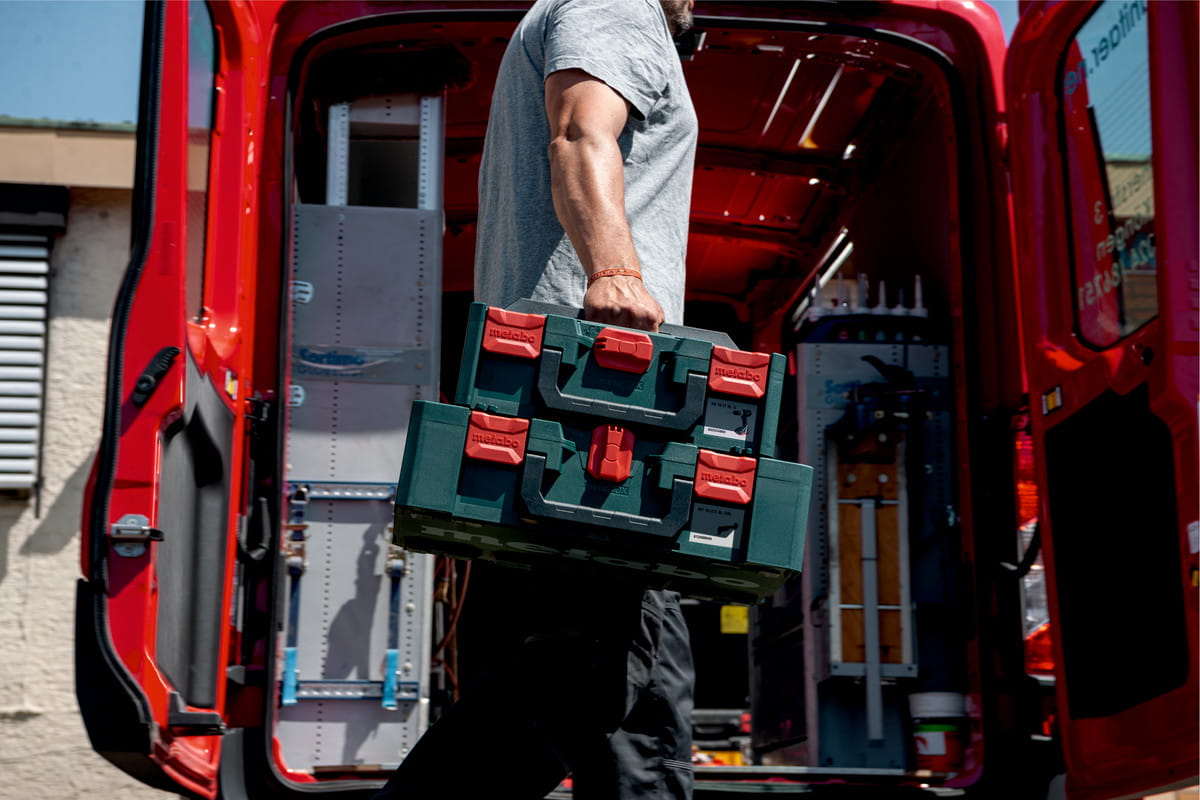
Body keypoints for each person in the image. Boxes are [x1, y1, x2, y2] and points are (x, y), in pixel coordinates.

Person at [373, 1, 698, 797]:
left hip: (581, 404)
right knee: (587, 672)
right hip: (593, 399)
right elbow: (580, 132)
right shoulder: (616, 4)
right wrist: (614, 270)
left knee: (643, 695)